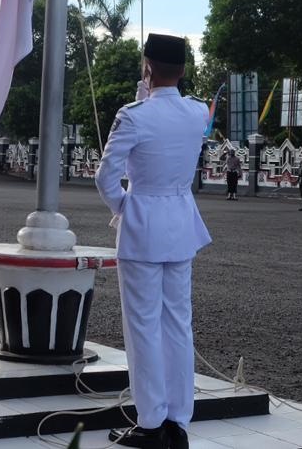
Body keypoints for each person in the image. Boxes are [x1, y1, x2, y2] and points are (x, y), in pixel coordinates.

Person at [96, 33, 210, 449]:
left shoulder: (133, 115)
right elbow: (172, 111)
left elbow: (105, 177)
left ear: (147, 67)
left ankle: (149, 422)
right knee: (178, 323)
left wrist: (125, 207)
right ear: (182, 70)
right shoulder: (197, 113)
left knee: (143, 325)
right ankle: (178, 422)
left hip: (144, 223)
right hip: (181, 223)